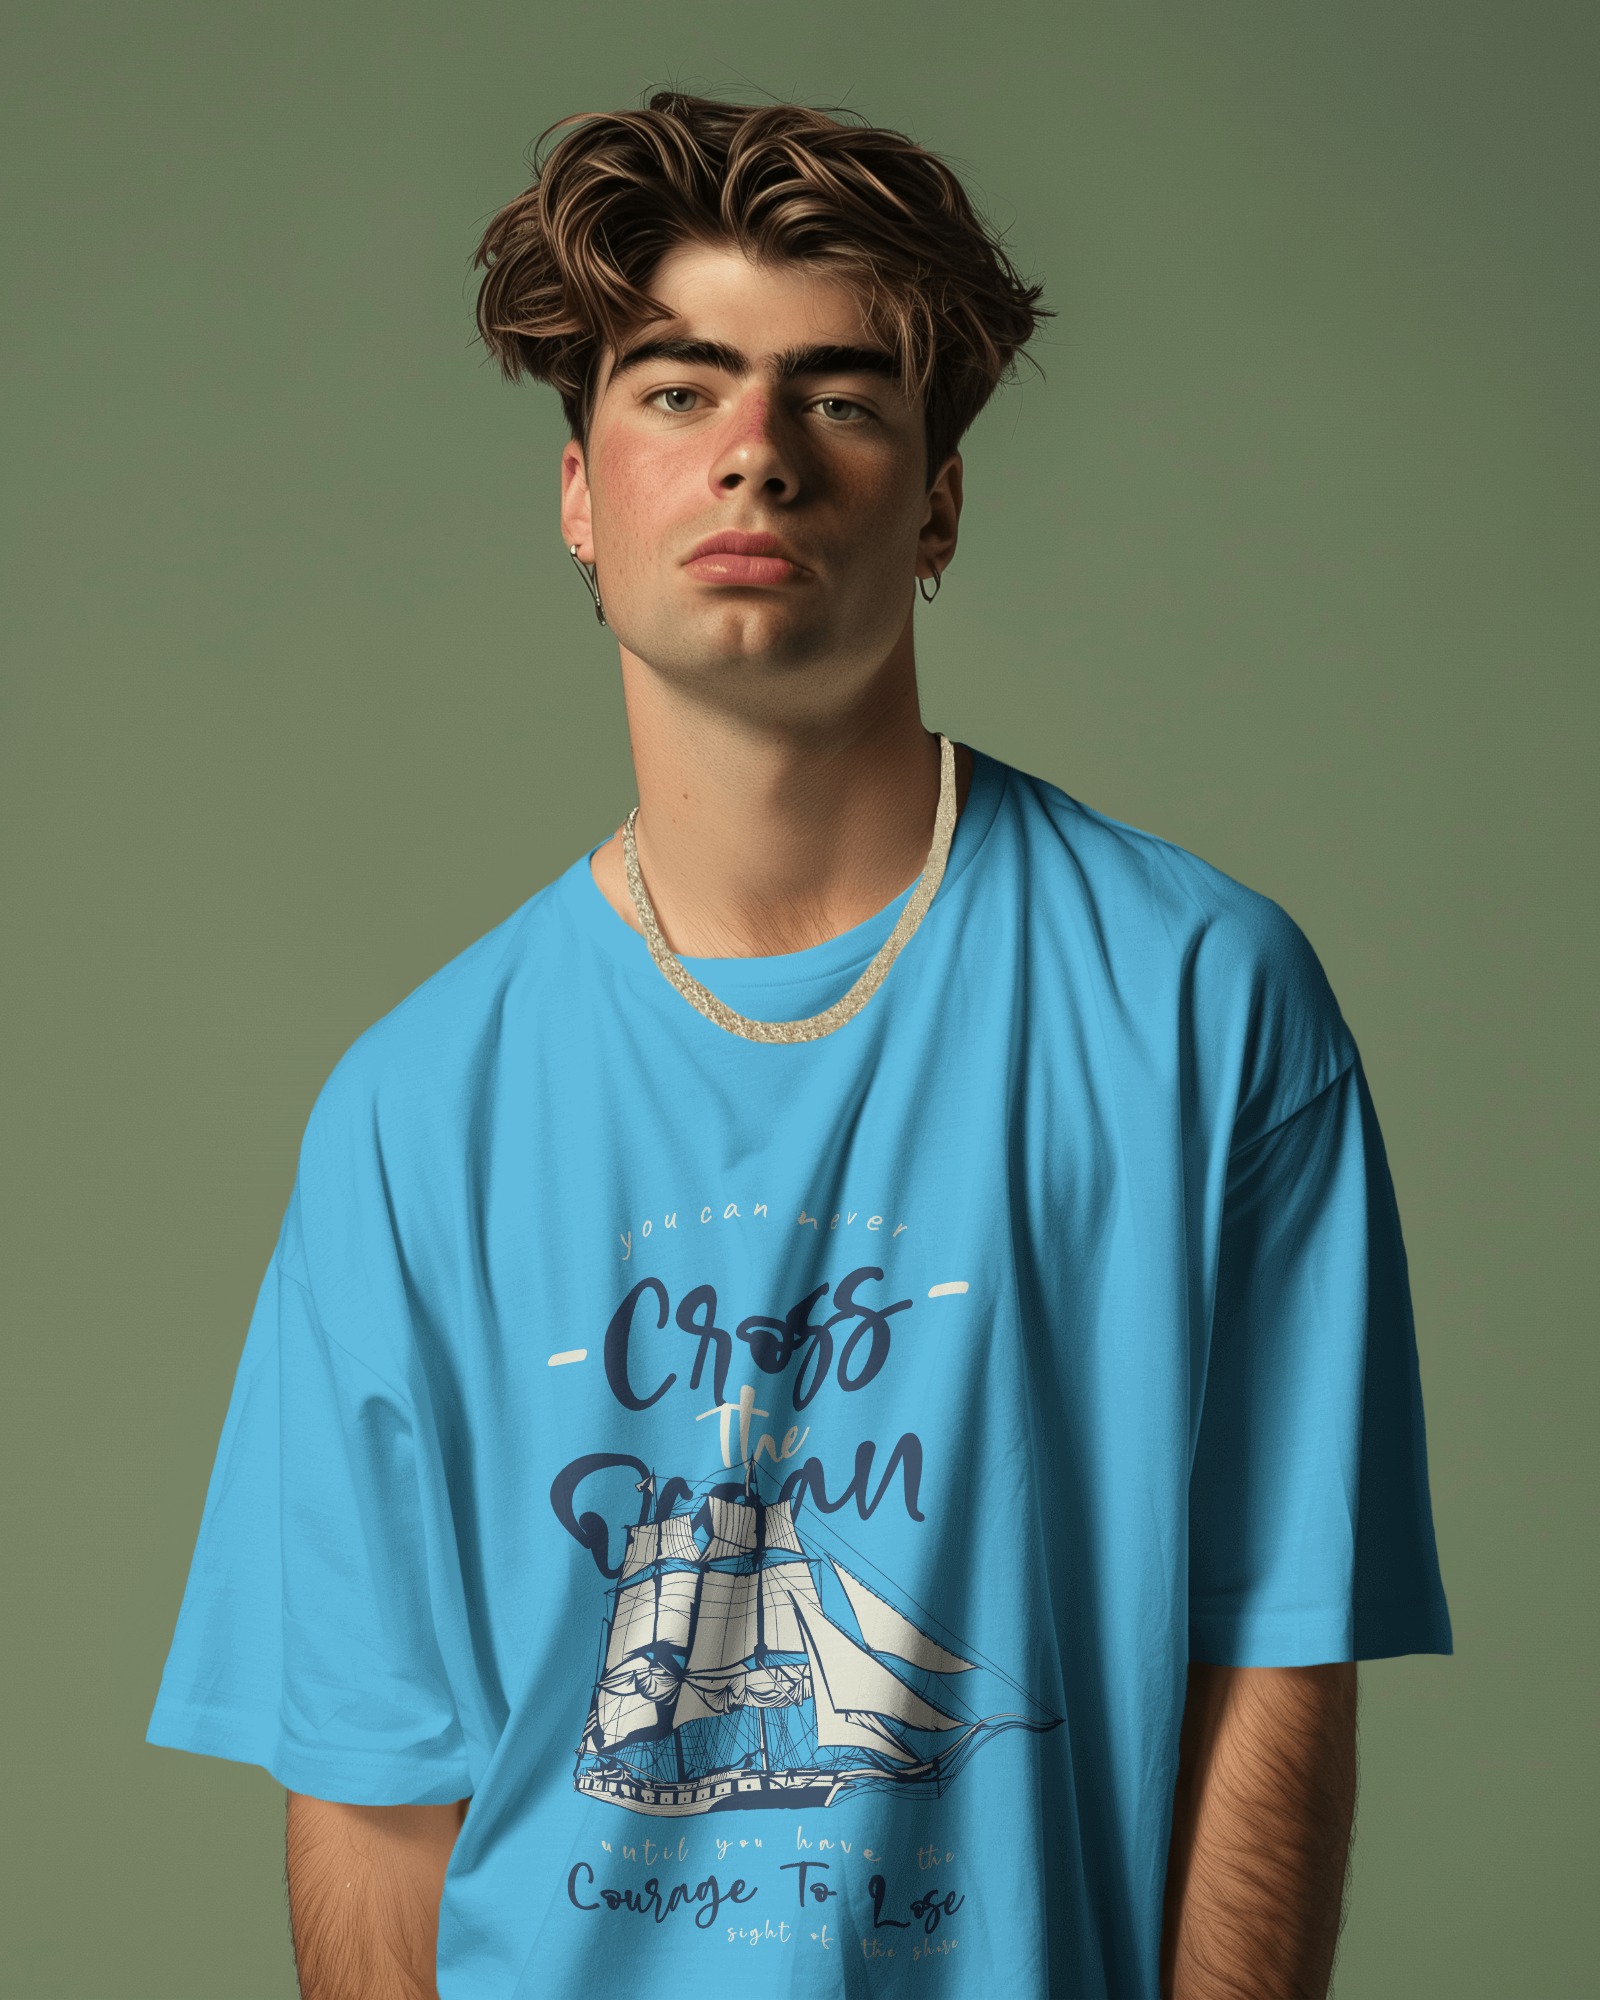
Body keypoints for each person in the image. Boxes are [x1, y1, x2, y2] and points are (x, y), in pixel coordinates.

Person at [144, 90, 1453, 2000]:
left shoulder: (1201, 1001)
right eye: (679, 390)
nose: (755, 451)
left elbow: (1273, 1664)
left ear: (938, 504)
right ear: (580, 495)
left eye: (838, 397)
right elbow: (373, 1799)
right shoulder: (413, 1113)